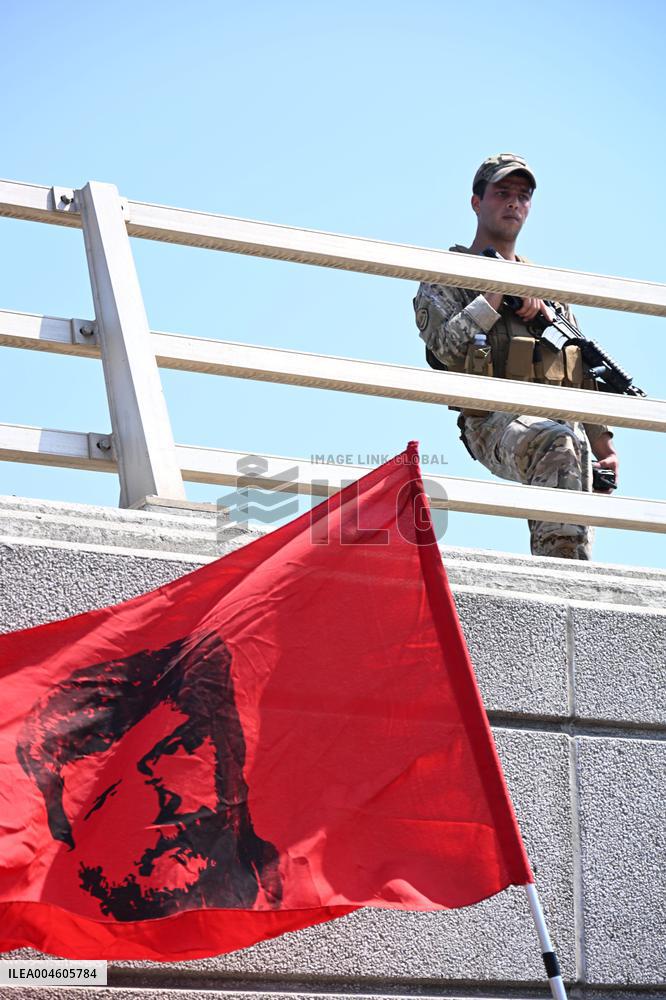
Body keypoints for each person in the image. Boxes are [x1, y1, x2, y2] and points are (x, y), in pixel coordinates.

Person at [413, 153, 619, 560]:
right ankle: (559, 576)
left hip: (558, 417)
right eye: (502, 193)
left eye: (523, 196)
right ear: (476, 202)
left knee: (571, 445)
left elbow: (581, 367)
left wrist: (604, 444)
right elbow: (448, 350)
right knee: (558, 441)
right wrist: (496, 290)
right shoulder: (446, 275)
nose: (514, 203)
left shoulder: (546, 286)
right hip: (492, 421)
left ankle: (570, 577)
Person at [16, 630, 282, 920]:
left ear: (228, 754)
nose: (159, 801)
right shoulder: (58, 920)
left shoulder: (293, 878)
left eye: (177, 749)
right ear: (61, 828)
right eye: (107, 793)